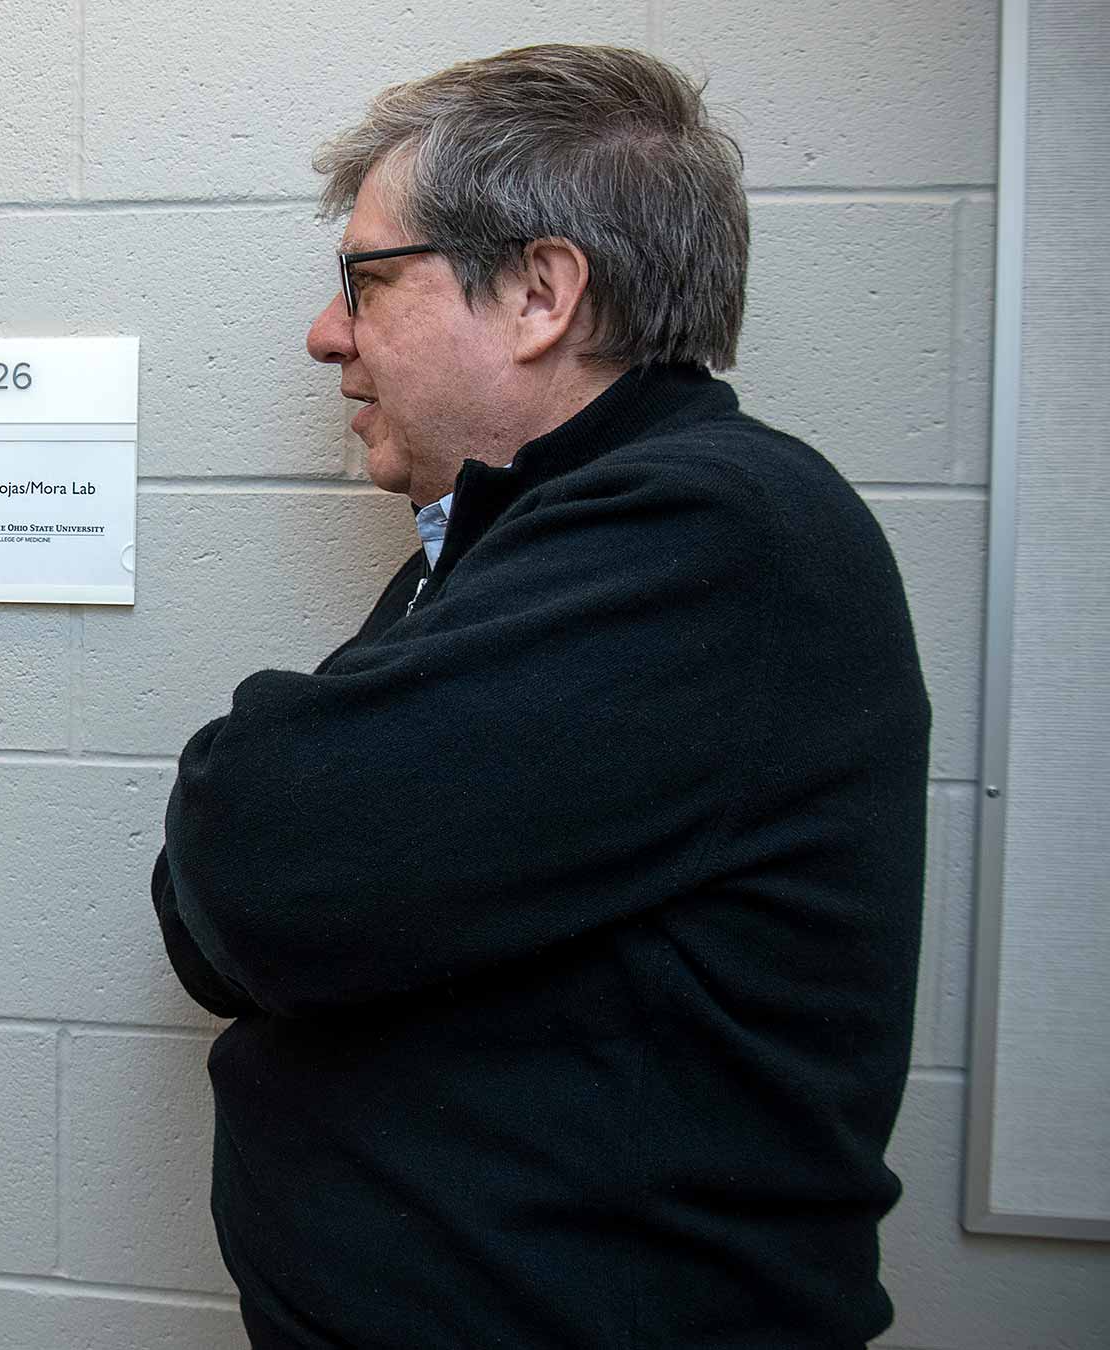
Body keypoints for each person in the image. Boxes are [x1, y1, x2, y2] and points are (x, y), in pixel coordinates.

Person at [151, 45, 929, 1348]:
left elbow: (251, 858)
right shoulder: (508, 547)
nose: (326, 332)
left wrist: (253, 818)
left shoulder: (716, 538)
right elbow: (224, 916)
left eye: (363, 278)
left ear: (538, 291)